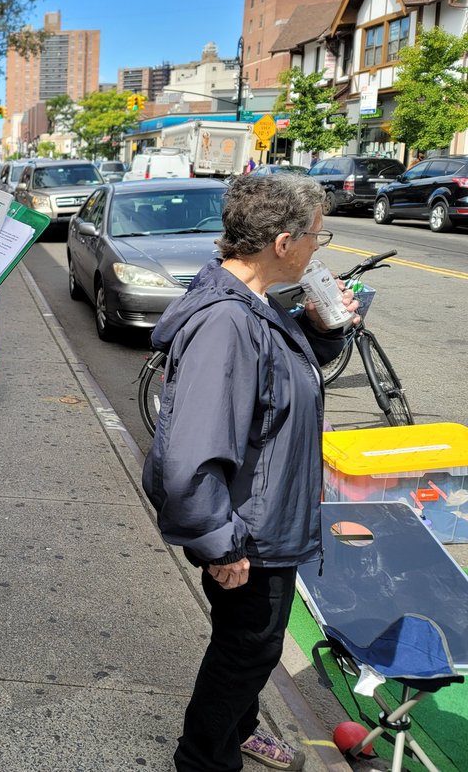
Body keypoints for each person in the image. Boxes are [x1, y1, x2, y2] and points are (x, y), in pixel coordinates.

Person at [142, 174, 358, 772]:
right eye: (317, 236)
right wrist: (221, 543)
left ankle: (236, 731)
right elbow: (192, 450)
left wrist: (320, 328)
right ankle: (204, 758)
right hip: (248, 533)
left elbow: (279, 381)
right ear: (283, 243)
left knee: (246, 647)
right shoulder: (227, 322)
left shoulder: (256, 304)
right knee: (248, 650)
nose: (321, 248)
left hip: (261, 520)